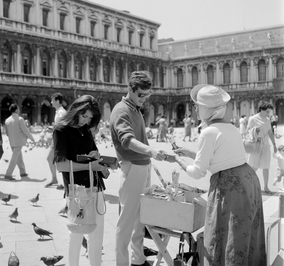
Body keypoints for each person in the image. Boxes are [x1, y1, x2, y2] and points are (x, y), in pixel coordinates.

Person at [174, 84, 266, 266]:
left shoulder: (207, 132)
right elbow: (220, 157)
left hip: (230, 187)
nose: (194, 109)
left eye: (197, 105)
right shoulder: (230, 128)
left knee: (226, 236)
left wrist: (178, 161)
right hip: (248, 181)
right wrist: (189, 153)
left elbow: (198, 171)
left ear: (206, 109)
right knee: (245, 235)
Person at [110, 71, 167, 266]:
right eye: (141, 94)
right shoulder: (121, 110)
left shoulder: (135, 109)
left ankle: (138, 259)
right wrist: (150, 150)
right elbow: (127, 140)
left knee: (139, 220)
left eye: (147, 95)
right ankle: (121, 263)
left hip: (142, 166)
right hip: (132, 167)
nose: (144, 99)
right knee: (126, 222)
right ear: (130, 89)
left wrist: (149, 155)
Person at [53, 95, 107, 266]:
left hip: (95, 186)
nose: (87, 120)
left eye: (90, 118)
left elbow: (93, 152)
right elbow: (61, 166)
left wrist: (96, 157)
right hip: (77, 190)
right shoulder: (61, 130)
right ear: (76, 110)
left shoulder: (86, 130)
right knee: (76, 233)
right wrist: (90, 167)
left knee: (97, 235)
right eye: (85, 116)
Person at [246, 101, 277, 194]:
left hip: (266, 145)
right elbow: (247, 132)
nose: (268, 114)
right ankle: (247, 185)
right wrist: (256, 130)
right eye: (267, 112)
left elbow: (270, 132)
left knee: (266, 166)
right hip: (256, 145)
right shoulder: (253, 119)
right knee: (254, 166)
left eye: (269, 112)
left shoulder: (267, 119)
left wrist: (275, 145)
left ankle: (266, 187)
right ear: (262, 109)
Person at [4, 104, 35, 180]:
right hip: (19, 141)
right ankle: (8, 174)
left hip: (12, 141)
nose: (19, 110)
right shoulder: (20, 119)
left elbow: (7, 133)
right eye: (18, 108)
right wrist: (32, 138)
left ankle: (22, 172)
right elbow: (25, 130)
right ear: (16, 110)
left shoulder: (7, 120)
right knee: (14, 158)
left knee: (18, 157)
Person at [45, 92, 66, 188]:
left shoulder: (61, 113)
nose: (51, 102)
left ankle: (63, 182)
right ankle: (55, 179)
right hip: (57, 140)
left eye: (52, 100)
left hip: (59, 141)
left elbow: (62, 128)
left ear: (57, 101)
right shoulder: (59, 112)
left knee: (57, 161)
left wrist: (53, 129)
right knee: (52, 159)